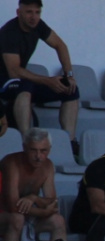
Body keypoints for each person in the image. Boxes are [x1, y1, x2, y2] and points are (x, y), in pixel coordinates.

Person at [0, 0, 79, 150]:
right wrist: (47, 81)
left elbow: (60, 45)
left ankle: (70, 143)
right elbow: (14, 71)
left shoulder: (38, 26)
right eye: (29, 12)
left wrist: (68, 75)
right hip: (4, 82)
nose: (33, 17)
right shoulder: (9, 33)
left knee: (70, 89)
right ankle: (26, 142)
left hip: (21, 81)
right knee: (25, 86)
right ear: (19, 13)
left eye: (37, 12)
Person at [0, 127, 65, 241]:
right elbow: (12, 206)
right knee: (17, 219)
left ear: (50, 149)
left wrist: (34, 198)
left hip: (26, 216)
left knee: (58, 221)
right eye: (33, 150)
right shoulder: (11, 162)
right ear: (24, 148)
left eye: (43, 151)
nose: (38, 156)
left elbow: (53, 203)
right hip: (4, 215)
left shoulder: (47, 166)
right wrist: (42, 211)